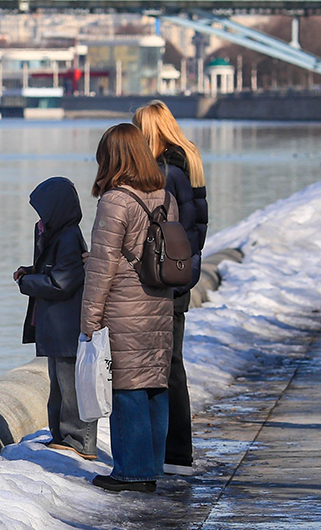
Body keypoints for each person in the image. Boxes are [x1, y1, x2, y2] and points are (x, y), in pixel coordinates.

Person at [82, 123, 177, 493]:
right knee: (153, 383)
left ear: (112, 157)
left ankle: (132, 472)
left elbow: (104, 267)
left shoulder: (115, 200)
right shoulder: (165, 196)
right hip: (158, 301)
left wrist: (89, 319)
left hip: (124, 305)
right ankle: (151, 465)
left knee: (126, 388)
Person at [132, 101, 209, 476]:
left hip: (166, 279)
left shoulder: (164, 171)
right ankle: (177, 449)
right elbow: (195, 228)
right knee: (173, 362)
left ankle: (175, 452)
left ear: (150, 133)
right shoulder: (188, 162)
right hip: (183, 273)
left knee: (166, 366)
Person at [15, 177, 97, 460]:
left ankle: (79, 440)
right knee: (59, 384)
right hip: (56, 325)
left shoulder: (67, 237)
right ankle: (62, 436)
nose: (39, 218)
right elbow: (56, 271)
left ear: (56, 210)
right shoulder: (56, 234)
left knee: (71, 385)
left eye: (43, 211)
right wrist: (31, 271)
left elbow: (63, 282)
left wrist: (28, 283)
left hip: (66, 324)